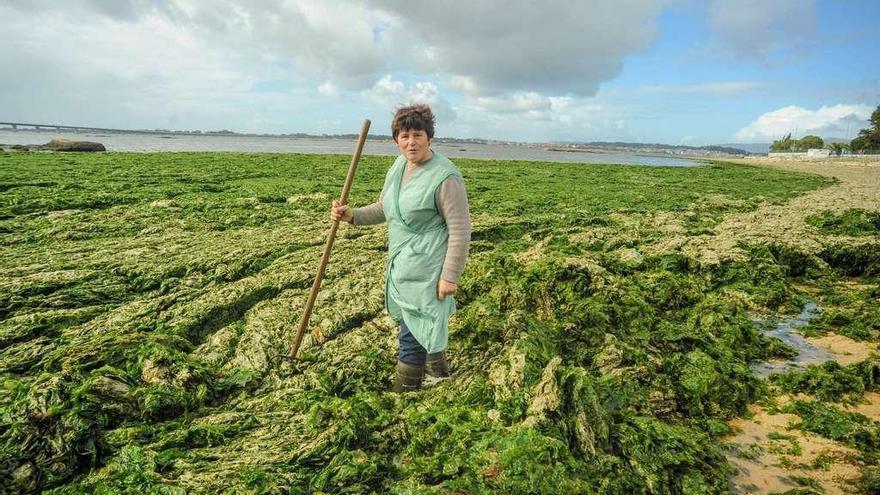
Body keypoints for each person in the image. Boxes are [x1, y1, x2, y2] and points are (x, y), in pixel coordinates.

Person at [330, 104, 471, 393]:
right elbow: (386, 207)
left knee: (412, 334)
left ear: (429, 137)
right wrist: (352, 215)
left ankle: (403, 396)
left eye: (417, 135)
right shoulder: (398, 167)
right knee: (421, 325)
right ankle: (439, 379)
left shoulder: (446, 177)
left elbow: (460, 229)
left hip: (430, 267)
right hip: (403, 265)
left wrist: (450, 276)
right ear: (396, 140)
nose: (411, 142)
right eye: (404, 136)